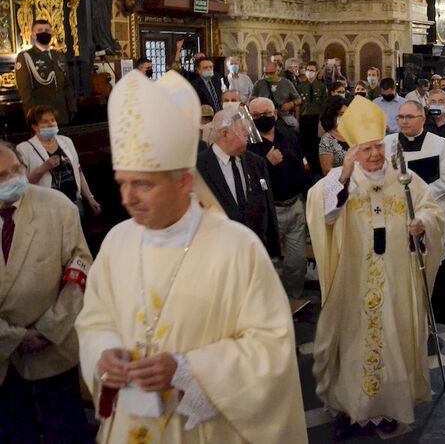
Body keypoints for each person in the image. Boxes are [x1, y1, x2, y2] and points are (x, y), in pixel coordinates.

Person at [75, 70, 306, 442]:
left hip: (204, 429)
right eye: (123, 184)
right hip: (130, 422)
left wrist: (188, 370)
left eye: (144, 184)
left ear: (184, 183)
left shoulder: (236, 248)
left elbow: (271, 348)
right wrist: (104, 354)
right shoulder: (118, 242)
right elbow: (95, 320)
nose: (129, 198)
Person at [306, 96, 445, 436]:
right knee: (353, 339)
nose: (374, 155)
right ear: (353, 149)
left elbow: (432, 208)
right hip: (354, 278)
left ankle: (389, 406)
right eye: (365, 149)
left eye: (378, 147)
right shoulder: (341, 179)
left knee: (394, 336)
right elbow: (323, 214)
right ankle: (351, 407)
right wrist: (345, 175)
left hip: (397, 277)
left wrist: (422, 223)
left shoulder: (404, 177)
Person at [0, 143, 94, 442]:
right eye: (2, 175)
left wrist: (48, 329)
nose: (13, 179)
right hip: (4, 356)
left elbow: (80, 271)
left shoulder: (57, 207)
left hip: (53, 347)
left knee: (65, 430)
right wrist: (13, 337)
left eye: (17, 170)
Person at [384, 100, 445, 325]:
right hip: (396, 219)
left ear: (422, 119)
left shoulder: (440, 144)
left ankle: (429, 317)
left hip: (426, 217)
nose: (404, 122)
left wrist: (418, 199)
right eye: (400, 117)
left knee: (429, 262)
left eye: (409, 117)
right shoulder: (387, 144)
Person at [247, 97, 313, 299]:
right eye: (256, 115)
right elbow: (248, 179)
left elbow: (303, 166)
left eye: (266, 114)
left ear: (274, 114)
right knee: (268, 262)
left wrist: (308, 195)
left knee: (297, 262)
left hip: (294, 206)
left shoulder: (288, 135)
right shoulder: (248, 143)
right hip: (269, 211)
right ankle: (272, 304)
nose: (262, 118)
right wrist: (266, 163)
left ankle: (293, 300)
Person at [196, 110, 279, 258]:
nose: (247, 133)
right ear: (225, 133)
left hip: (255, 252)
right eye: (242, 129)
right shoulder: (198, 168)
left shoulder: (256, 163)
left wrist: (272, 250)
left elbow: (267, 207)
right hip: (218, 256)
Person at [17, 105, 101, 217]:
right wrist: (43, 168)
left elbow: (78, 171)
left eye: (53, 120)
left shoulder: (67, 141)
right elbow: (21, 185)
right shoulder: (24, 149)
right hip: (46, 210)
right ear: (35, 127)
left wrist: (90, 198)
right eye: (45, 122)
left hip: (74, 203)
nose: (51, 124)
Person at [15, 20, 76, 125]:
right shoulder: (26, 56)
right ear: (33, 35)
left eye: (47, 30)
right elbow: (25, 91)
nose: (44, 32)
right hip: (41, 116)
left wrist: (72, 108)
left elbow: (67, 85)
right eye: (40, 30)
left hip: (62, 114)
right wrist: (32, 117)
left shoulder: (59, 56)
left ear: (51, 33)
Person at [252, 61, 301, 131]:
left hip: (283, 116)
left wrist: (291, 104)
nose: (269, 75)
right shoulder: (259, 84)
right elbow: (251, 99)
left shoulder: (287, 83)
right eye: (266, 73)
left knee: (295, 125)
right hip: (264, 116)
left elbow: (298, 99)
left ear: (277, 72)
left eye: (271, 73)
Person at [319, 96, 349, 175]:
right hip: (341, 183)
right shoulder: (326, 140)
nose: (345, 117)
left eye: (347, 113)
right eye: (341, 114)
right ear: (331, 116)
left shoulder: (354, 133)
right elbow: (327, 173)